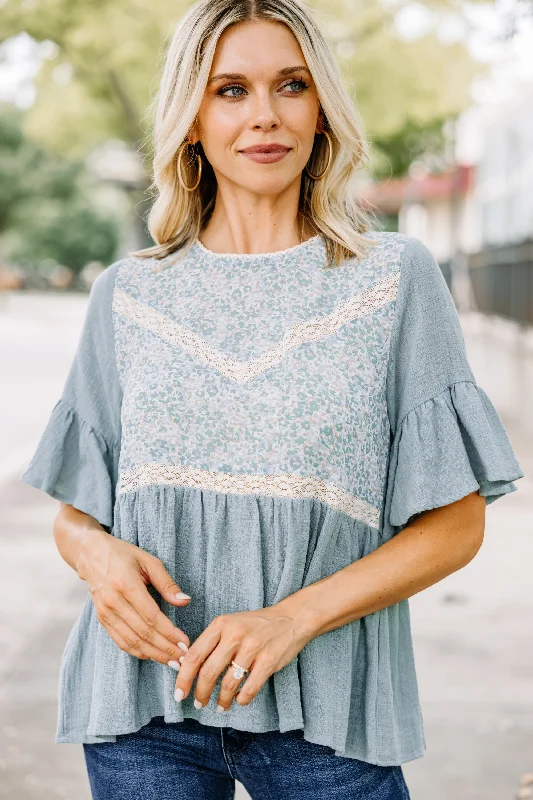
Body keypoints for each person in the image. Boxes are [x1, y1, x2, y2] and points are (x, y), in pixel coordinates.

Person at [20, 0, 524, 797]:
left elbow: (455, 525)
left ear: (320, 107)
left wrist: (290, 619)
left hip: (325, 721)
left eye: (290, 85)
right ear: (190, 118)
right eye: (229, 90)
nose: (264, 116)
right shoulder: (127, 294)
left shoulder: (394, 280)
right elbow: (78, 512)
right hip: (141, 712)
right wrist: (95, 555)